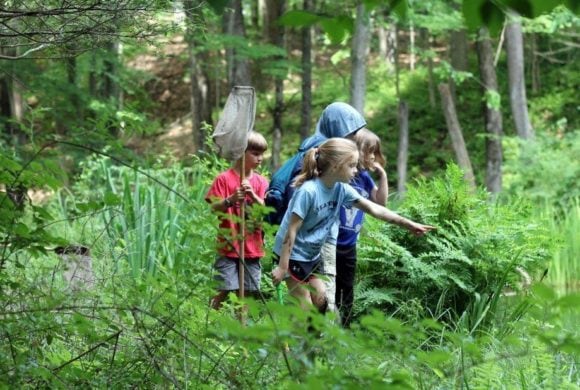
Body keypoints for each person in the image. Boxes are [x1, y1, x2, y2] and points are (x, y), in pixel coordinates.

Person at [271, 138, 434, 315]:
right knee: (304, 308)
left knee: (321, 301)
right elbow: (291, 231)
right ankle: (300, 339)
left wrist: (408, 224)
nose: (356, 170)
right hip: (291, 254)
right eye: (352, 165)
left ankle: (310, 338)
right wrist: (281, 267)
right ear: (335, 166)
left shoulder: (341, 189)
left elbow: (375, 209)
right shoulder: (308, 192)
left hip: (311, 255)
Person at [205, 131, 269, 310]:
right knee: (225, 288)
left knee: (248, 291)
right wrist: (230, 200)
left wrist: (253, 196)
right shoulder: (224, 179)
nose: (260, 158)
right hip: (229, 244)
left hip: (252, 246)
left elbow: (267, 210)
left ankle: (242, 327)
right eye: (255, 153)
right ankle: (211, 318)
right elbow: (213, 207)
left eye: (262, 153)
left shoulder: (261, 182)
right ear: (241, 152)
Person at [336, 129, 388, 327]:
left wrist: (382, 175)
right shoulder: (343, 175)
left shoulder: (365, 178)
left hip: (350, 245)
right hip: (331, 241)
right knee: (330, 288)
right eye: (369, 151)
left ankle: (345, 327)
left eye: (376, 152)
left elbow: (381, 203)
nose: (373, 156)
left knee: (347, 289)